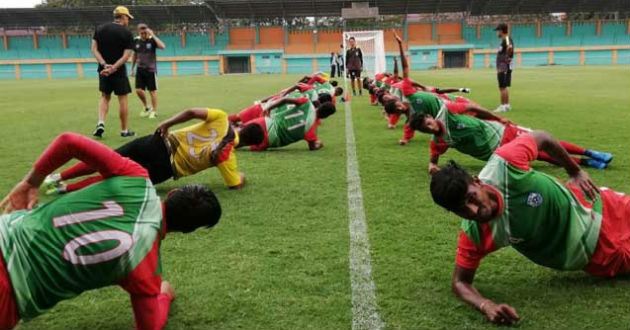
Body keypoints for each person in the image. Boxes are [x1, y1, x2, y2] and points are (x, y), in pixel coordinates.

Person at [0, 132, 222, 330]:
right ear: (187, 231)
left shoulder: (136, 177)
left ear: (173, 193)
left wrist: (31, 182)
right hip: (9, 299)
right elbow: (150, 325)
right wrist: (164, 295)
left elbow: (68, 141)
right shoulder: (146, 268)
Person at [430, 131, 629, 325]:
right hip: (596, 252)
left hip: (605, 206)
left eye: (471, 198)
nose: (474, 211)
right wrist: (486, 305)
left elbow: (543, 138)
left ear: (477, 182)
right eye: (461, 210)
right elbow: (459, 282)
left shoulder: (504, 165)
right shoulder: (475, 233)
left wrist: (574, 170)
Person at [45, 108, 245, 194]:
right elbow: (235, 185)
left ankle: (56, 177)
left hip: (159, 142)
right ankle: (64, 189)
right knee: (115, 180)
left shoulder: (221, 117)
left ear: (239, 126)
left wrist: (167, 123)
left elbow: (192, 112)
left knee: (107, 158)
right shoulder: (228, 155)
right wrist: (241, 177)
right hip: (165, 169)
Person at [409, 110, 613, 174]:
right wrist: (432, 167)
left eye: (428, 122)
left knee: (545, 144)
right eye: (425, 128)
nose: (430, 126)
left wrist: (499, 118)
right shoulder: (438, 142)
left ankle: (590, 153)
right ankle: (586, 163)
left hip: (503, 131)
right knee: (540, 155)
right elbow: (433, 161)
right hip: (500, 150)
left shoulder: (448, 113)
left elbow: (474, 107)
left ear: (430, 116)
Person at [91, 6, 136, 138]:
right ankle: (124, 130)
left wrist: (105, 65)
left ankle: (100, 122)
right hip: (119, 72)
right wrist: (114, 68)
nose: (128, 20)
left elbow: (94, 49)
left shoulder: (99, 29)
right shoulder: (127, 33)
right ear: (123, 17)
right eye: (128, 17)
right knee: (122, 99)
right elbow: (126, 56)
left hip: (103, 70)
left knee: (105, 97)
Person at [237, 97, 336, 151]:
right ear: (326, 116)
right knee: (238, 144)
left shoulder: (306, 103)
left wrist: (269, 108)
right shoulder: (312, 131)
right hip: (268, 140)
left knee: (236, 134)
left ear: (320, 105)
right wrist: (320, 144)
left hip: (265, 122)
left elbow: (285, 100)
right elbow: (312, 147)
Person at [131, 23, 166, 119]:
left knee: (152, 92)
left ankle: (154, 111)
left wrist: (153, 35)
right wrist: (132, 68)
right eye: (141, 32)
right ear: (139, 32)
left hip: (151, 70)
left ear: (148, 31)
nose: (143, 34)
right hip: (140, 69)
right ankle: (147, 107)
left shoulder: (152, 40)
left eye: (145, 32)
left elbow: (163, 47)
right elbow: (134, 55)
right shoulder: (136, 41)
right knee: (138, 90)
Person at [494, 23, 514, 112]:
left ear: (501, 31)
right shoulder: (505, 39)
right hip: (504, 65)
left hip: (503, 66)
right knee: (504, 86)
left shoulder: (506, 38)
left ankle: (503, 106)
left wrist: (506, 56)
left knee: (502, 86)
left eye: (497, 31)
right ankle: (506, 105)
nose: (497, 33)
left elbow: (510, 47)